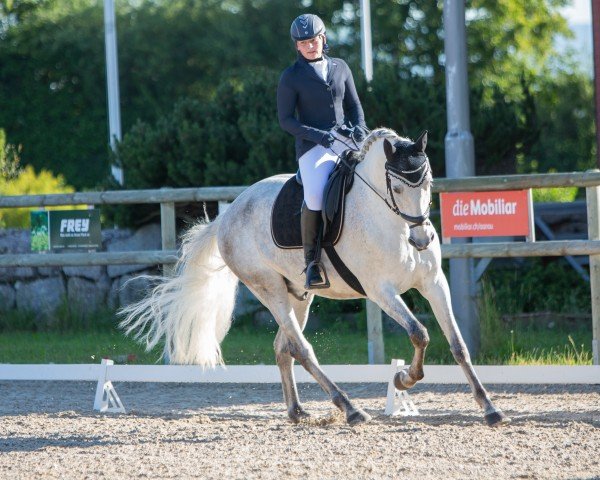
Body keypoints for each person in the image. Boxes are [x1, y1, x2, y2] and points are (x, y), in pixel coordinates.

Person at [277, 13, 368, 290]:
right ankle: (312, 262)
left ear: (323, 38)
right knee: (315, 195)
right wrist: (319, 136)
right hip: (313, 147)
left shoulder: (341, 67)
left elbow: (354, 107)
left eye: (313, 40)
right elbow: (286, 120)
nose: (310, 46)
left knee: (375, 176)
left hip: (346, 141)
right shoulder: (291, 77)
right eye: (303, 43)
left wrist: (361, 130)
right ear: (297, 46)